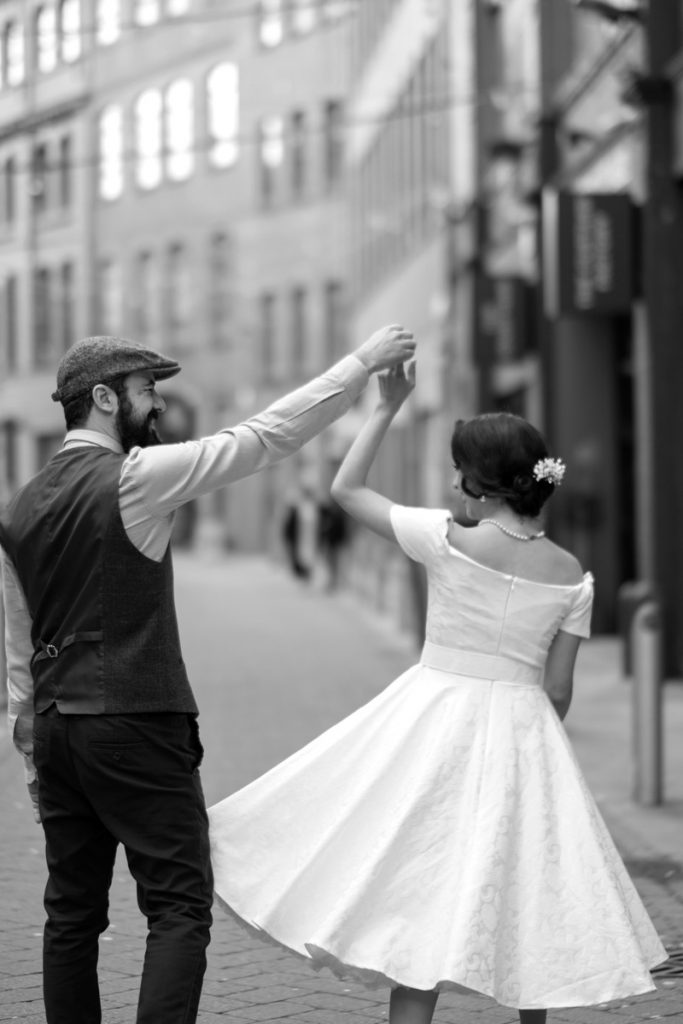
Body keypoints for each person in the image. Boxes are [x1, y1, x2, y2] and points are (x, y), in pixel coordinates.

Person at [208, 361, 667, 1024]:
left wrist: (387, 406)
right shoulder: (572, 576)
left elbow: (345, 489)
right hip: (524, 734)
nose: (452, 482)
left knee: (415, 891)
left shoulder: (447, 539)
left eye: (459, 471)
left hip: (432, 722)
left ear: (480, 486)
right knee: (524, 904)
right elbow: (558, 688)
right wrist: (529, 730)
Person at [0, 323, 416, 1024]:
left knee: (71, 914)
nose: (158, 404)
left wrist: (28, 738)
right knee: (177, 905)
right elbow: (261, 439)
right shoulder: (135, 478)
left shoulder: (17, 507)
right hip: (135, 717)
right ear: (103, 398)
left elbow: (19, 639)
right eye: (145, 391)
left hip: (54, 729)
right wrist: (361, 364)